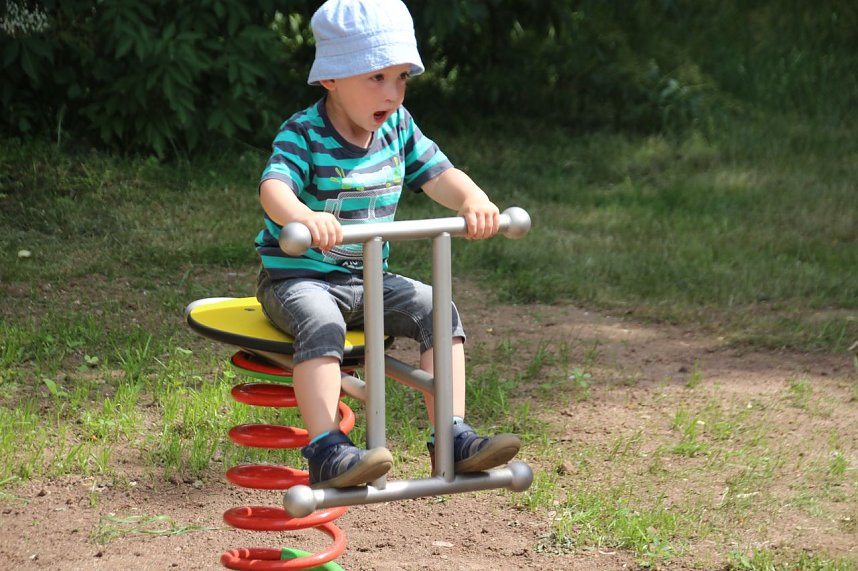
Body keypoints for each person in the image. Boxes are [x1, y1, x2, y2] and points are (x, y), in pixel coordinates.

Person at [255, 0, 520, 489]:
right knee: (321, 320)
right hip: (298, 278)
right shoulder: (304, 133)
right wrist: (305, 217)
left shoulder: (398, 128)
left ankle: (452, 437)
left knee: (438, 307)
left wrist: (472, 199)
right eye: (376, 77)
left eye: (401, 77)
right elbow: (273, 188)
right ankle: (327, 450)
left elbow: (439, 174)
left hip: (367, 277)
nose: (392, 92)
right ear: (331, 78)